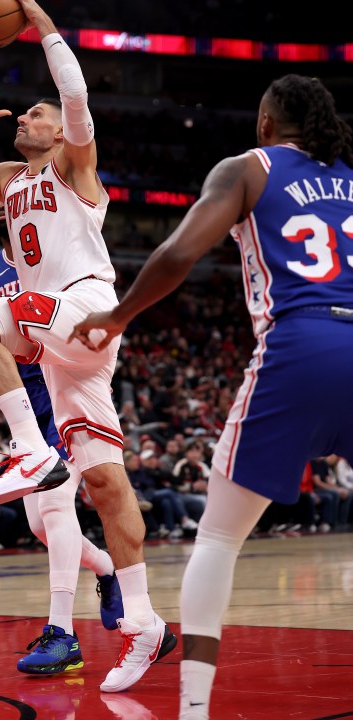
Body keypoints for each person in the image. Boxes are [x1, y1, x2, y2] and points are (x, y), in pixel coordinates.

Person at [70, 74, 353, 717]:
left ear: (264, 124)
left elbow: (177, 253)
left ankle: (194, 711)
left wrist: (117, 316)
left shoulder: (248, 168)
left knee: (220, 540)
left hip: (301, 343)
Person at [0, 0, 176, 691]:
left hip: (86, 308)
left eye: (36, 113)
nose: (27, 117)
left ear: (60, 133)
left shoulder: (73, 165)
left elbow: (78, 101)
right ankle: (148, 623)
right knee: (104, 482)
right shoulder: (7, 178)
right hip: (62, 344)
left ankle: (30, 449)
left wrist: (39, 22)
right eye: (27, 113)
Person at [0, 201, 125, 673]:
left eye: (9, 200)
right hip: (23, 399)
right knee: (41, 526)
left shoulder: (58, 258)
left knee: (58, 508)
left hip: (60, 387)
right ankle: (108, 570)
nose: (3, 207)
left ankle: (63, 634)